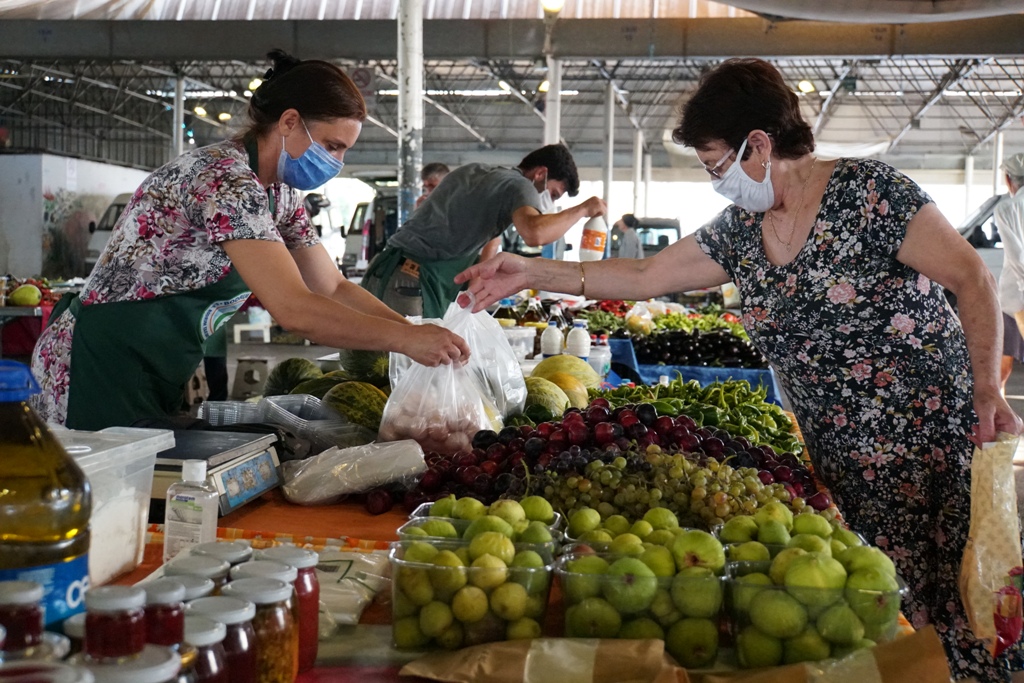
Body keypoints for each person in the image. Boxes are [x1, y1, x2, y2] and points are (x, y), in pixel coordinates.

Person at [456, 58, 1023, 682]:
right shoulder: (743, 231)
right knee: (869, 606)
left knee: (959, 599)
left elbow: (972, 277)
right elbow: (644, 275)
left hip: (931, 442)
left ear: (758, 144)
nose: (716, 181)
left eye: (714, 164)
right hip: (839, 455)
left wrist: (986, 388)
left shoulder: (870, 194)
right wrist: (530, 271)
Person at [30, 49, 468, 431]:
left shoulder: (280, 193)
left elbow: (332, 286)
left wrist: (412, 330)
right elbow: (294, 308)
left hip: (151, 362)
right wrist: (403, 341)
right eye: (332, 146)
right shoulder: (224, 180)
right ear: (290, 122)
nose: (337, 162)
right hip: (100, 360)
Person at [361, 144, 606, 318]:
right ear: (540, 173)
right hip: (410, 283)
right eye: (552, 194)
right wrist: (583, 209)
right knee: (403, 369)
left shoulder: (478, 173)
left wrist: (474, 296)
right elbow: (535, 234)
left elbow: (490, 241)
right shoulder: (521, 186)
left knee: (382, 367)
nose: (548, 202)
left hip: (389, 271)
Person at [997, 154, 1024, 396]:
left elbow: (1017, 257)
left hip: (1014, 297)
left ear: (1008, 179)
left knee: (1003, 365)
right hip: (1016, 296)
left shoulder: (1007, 208)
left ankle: (1000, 417)